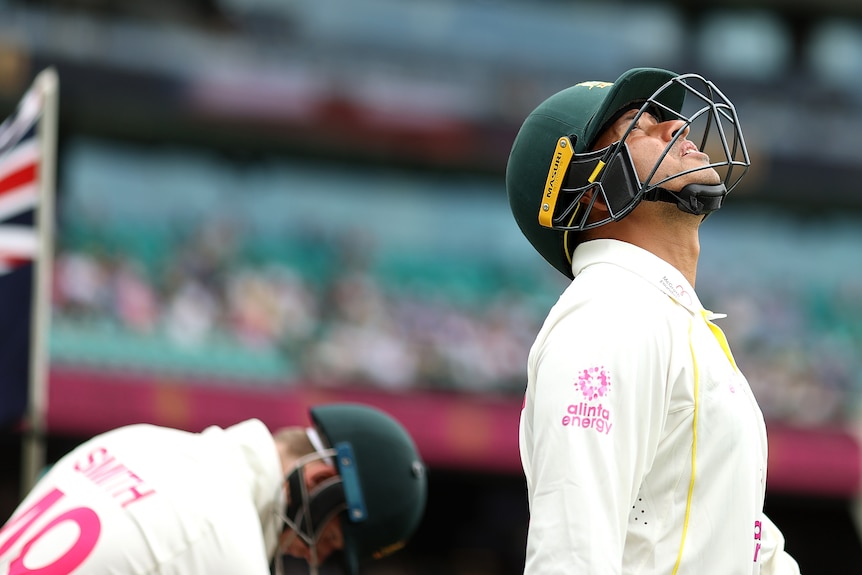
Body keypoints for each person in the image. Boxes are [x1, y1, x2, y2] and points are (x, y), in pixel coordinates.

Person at [506, 67, 801, 573]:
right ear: (591, 189)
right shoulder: (608, 313)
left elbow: (748, 546)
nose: (678, 127)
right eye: (637, 127)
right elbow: (571, 557)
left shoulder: (662, 315)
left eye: (666, 119)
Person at [0, 402, 427, 574]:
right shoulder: (230, 545)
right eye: (330, 538)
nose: (312, 554)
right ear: (320, 483)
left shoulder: (138, 438)